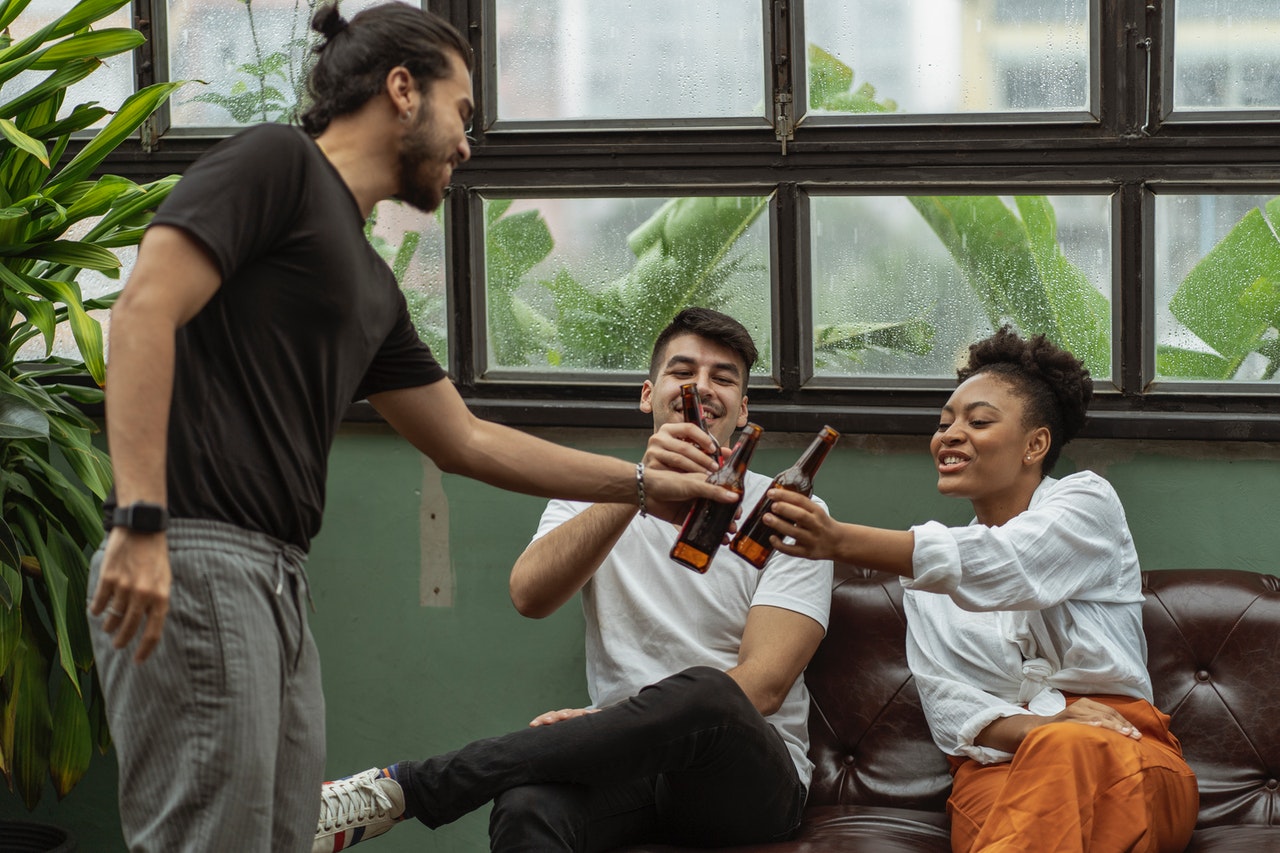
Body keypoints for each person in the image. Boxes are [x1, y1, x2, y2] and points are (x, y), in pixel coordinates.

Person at [86, 6, 737, 852]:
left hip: (278, 578)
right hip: (197, 547)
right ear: (402, 89)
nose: (468, 142)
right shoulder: (277, 164)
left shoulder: (367, 279)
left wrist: (646, 485)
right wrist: (141, 519)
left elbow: (465, 439)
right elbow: (142, 311)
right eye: (462, 111)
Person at [314, 307, 834, 852]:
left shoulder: (788, 510)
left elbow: (764, 685)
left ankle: (415, 787)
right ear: (647, 394)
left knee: (712, 692)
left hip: (745, 779)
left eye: (722, 378)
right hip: (623, 766)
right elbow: (529, 596)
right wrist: (636, 491)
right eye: (683, 372)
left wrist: (602, 721)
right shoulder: (594, 491)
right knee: (526, 804)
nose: (701, 387)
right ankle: (412, 790)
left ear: (742, 408)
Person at [763, 327, 1199, 852]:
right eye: (944, 423)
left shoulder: (1088, 506)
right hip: (997, 773)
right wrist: (1049, 726)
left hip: (1122, 749)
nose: (949, 434)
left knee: (1076, 751)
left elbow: (1010, 565)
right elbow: (951, 708)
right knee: (1062, 755)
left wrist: (838, 540)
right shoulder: (927, 583)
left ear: (1035, 444)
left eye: (979, 421)